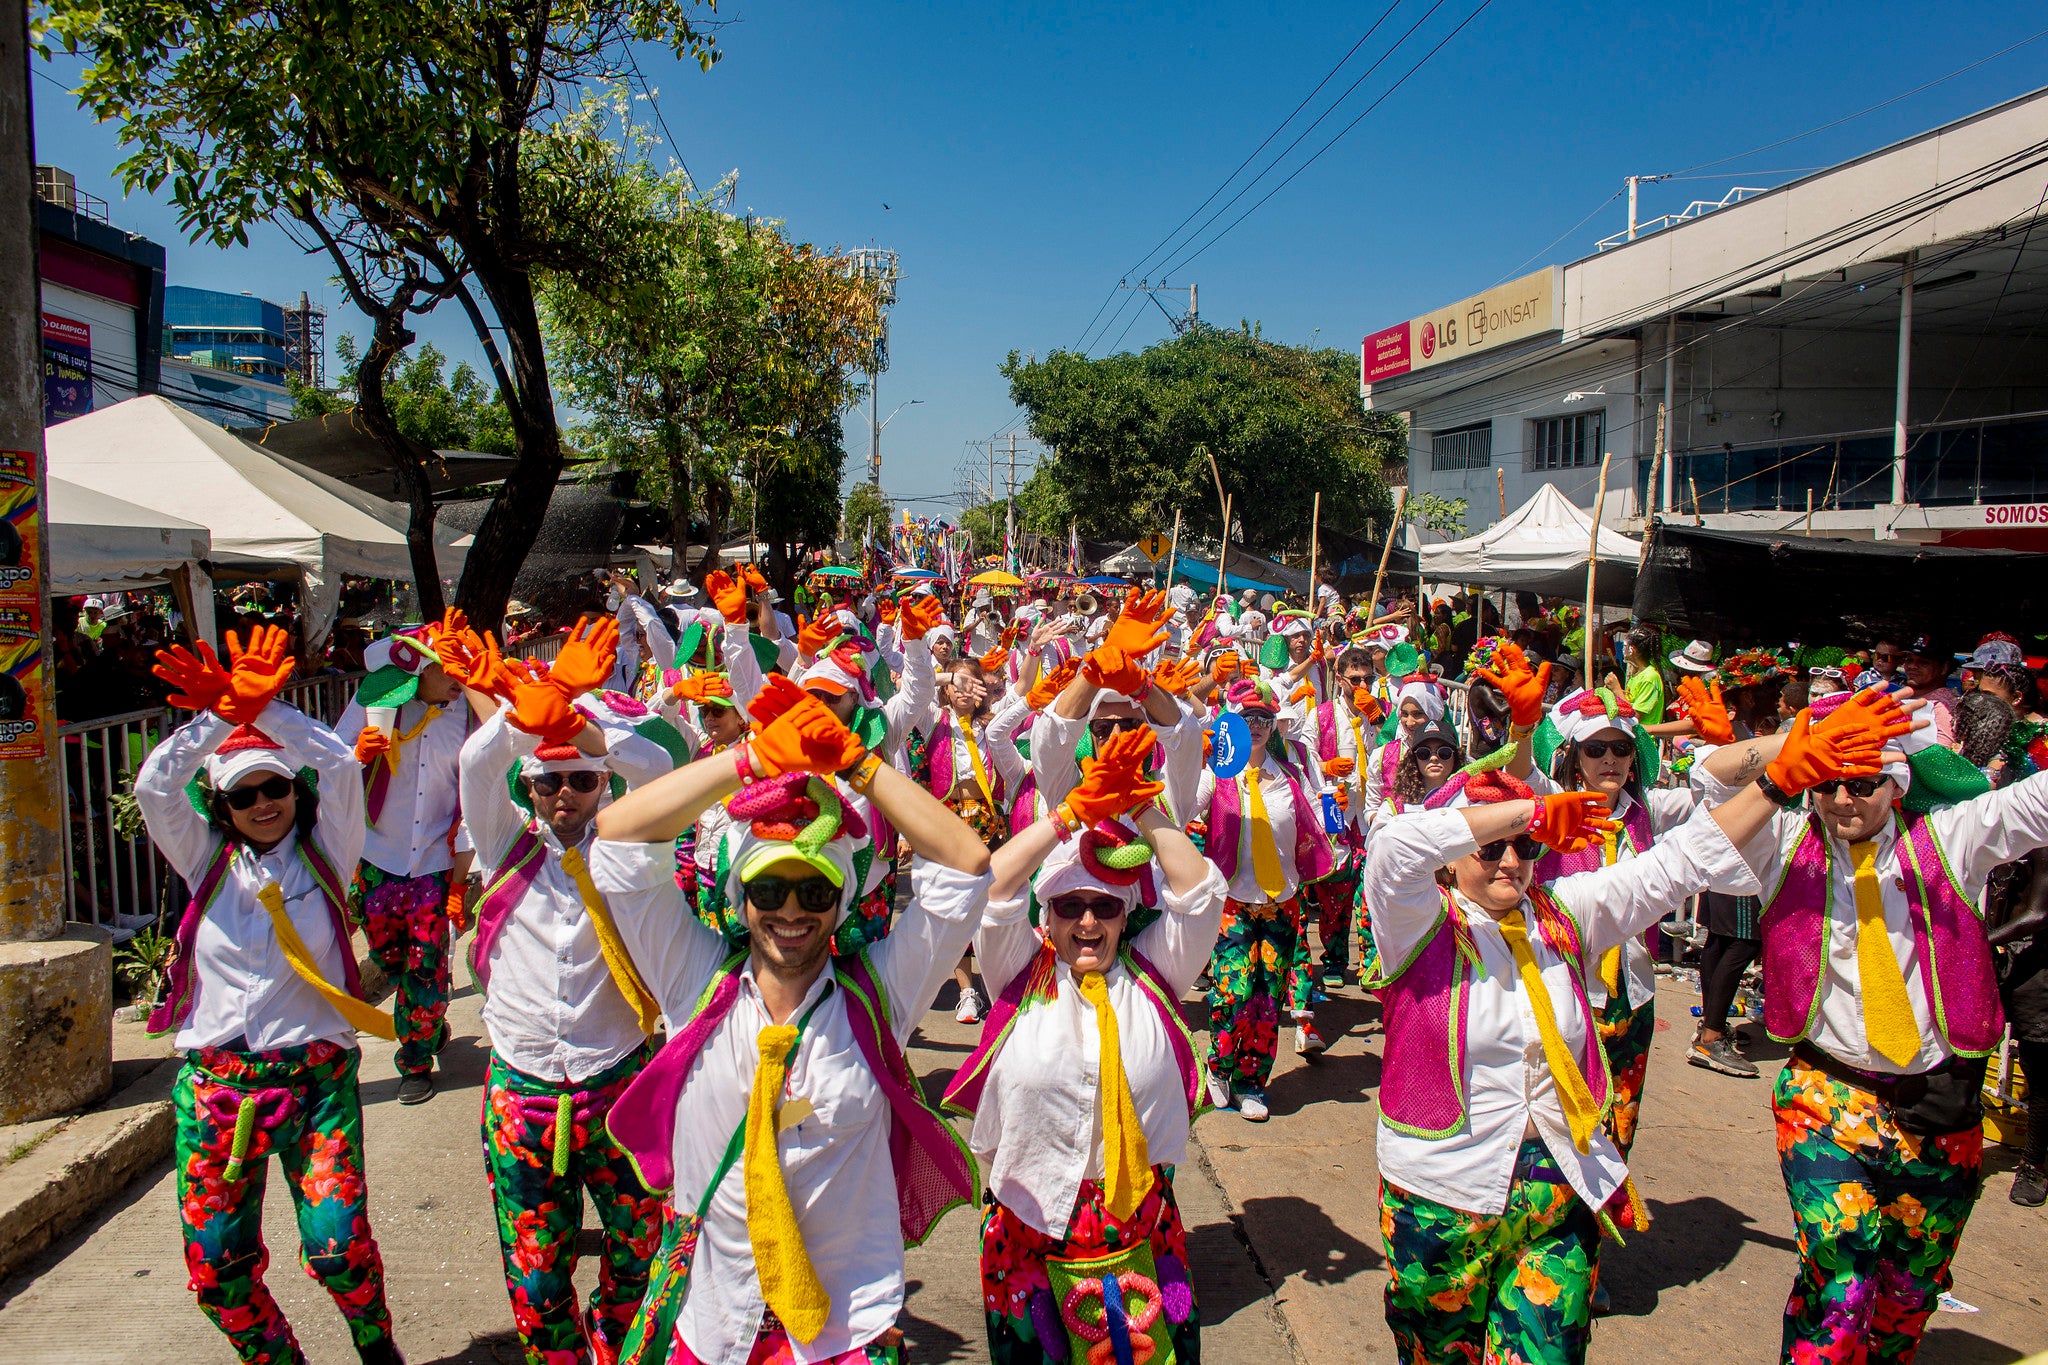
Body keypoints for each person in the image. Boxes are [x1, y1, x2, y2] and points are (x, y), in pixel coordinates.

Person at [1364, 690, 1910, 1365]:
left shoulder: (1564, 912)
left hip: (1557, 1188)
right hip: (1443, 1191)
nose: (1510, 860)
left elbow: (1680, 859)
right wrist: (1527, 809)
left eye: (1527, 846)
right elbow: (1394, 844)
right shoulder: (1415, 922)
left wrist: (1779, 780)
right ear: (1455, 854)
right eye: (1489, 848)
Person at [588, 675, 993, 1364]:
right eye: (768, 889)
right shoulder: (693, 981)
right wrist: (745, 760)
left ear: (841, 901)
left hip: (845, 1330)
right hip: (714, 1324)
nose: (792, 911)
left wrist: (860, 764)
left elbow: (967, 861)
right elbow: (618, 835)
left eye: (816, 891)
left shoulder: (879, 998)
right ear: (740, 897)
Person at [1692, 687, 2048, 1362]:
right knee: (1840, 1284)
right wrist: (1798, 745)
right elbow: (1705, 777)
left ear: (1898, 780)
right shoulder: (1783, 846)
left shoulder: (1954, 838)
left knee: (1907, 1299)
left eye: (1863, 781)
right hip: (1827, 1095)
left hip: (1940, 1105)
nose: (1843, 800)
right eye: (1827, 784)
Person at [140, 627, 403, 1365]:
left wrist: (269, 710)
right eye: (245, 793)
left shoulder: (331, 851)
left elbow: (340, 768)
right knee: (219, 1269)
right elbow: (155, 789)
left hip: (314, 1080)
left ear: (294, 790)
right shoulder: (203, 861)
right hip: (218, 1089)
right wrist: (219, 719)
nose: (264, 802)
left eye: (275, 786)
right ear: (221, 807)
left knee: (336, 1243)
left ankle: (375, 1340)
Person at [946, 729, 1228, 1364]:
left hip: (1145, 1228)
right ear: (1045, 918)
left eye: (1104, 905)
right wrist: (1068, 815)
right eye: (1069, 906)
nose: (1088, 923)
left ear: (1127, 914)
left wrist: (1138, 808)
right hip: (1030, 1229)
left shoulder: (1155, 974)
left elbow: (1200, 894)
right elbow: (994, 887)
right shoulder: (1018, 971)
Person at [448, 619, 677, 1364]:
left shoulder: (632, 851)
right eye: (551, 780)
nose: (567, 793)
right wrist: (525, 711)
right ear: (532, 788)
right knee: (537, 1281)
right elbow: (478, 769)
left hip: (618, 1078)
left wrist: (585, 712)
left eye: (582, 779)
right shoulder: (503, 844)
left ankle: (613, 1344)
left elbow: (659, 772)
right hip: (523, 1087)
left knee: (643, 1249)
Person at [333, 616, 474, 1103]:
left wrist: (459, 881)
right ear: (422, 668)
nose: (459, 678)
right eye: (449, 668)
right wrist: (356, 754)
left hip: (435, 863)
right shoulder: (377, 700)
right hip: (378, 859)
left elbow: (480, 792)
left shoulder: (466, 713)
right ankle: (429, 1026)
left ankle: (414, 1061)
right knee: (390, 962)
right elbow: (328, 763)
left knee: (425, 965)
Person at [1195, 677, 1337, 1120]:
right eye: (1247, 718)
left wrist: (1338, 803)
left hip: (1282, 901)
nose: (1255, 725)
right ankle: (1219, 1069)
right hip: (1233, 903)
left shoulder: (1291, 775)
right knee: (1231, 992)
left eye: (1264, 718)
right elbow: (1180, 805)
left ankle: (1252, 1082)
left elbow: (1321, 819)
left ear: (1274, 724)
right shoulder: (1215, 776)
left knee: (1266, 996)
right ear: (1232, 723)